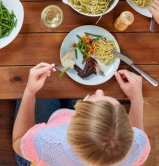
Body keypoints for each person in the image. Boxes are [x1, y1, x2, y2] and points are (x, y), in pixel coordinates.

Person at [12, 63, 150, 166]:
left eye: (95, 98)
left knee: (45, 88)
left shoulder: (47, 142)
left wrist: (30, 92)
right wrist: (137, 99)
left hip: (34, 154)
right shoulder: (138, 146)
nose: (100, 90)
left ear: (73, 119)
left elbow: (18, 140)